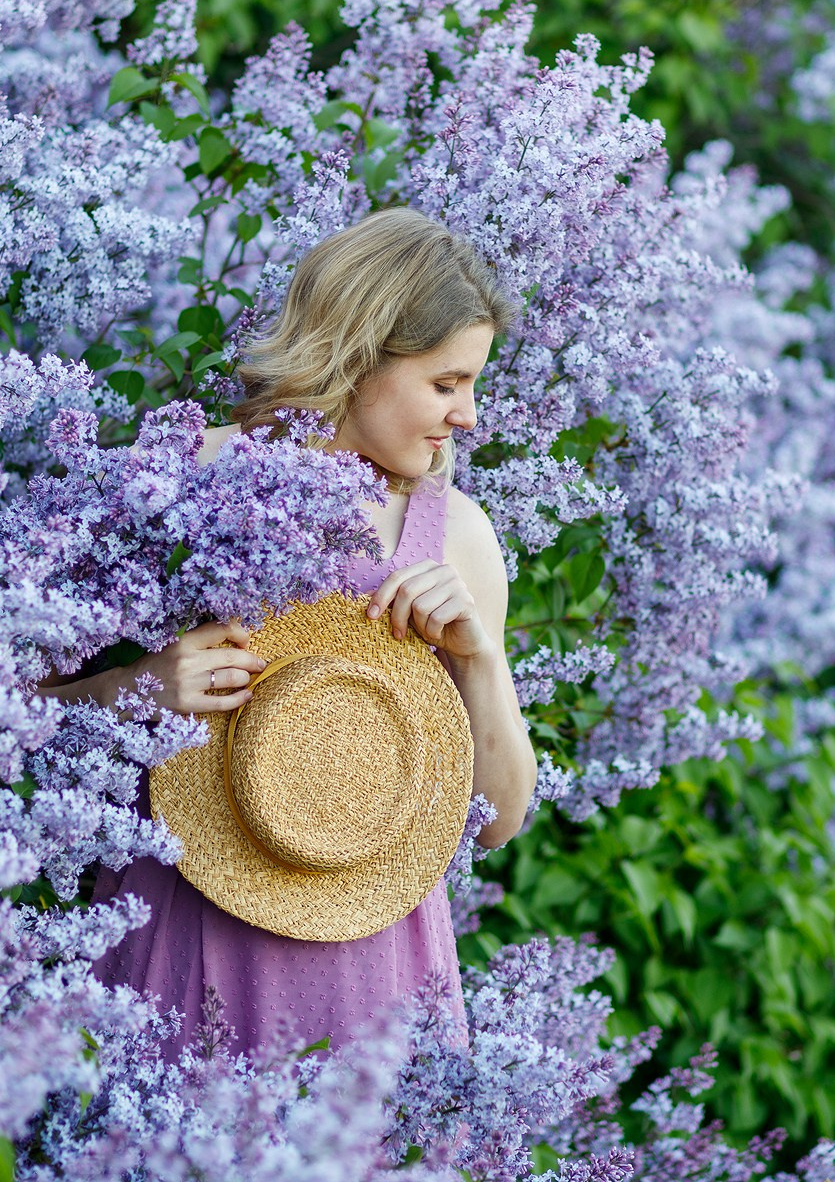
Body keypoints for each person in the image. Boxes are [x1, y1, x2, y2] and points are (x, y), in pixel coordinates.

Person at [39, 207, 537, 1059]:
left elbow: (498, 821)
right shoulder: (176, 478)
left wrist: (481, 663)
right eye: (446, 383)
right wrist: (134, 690)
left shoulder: (455, 534)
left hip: (377, 973)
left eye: (473, 385)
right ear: (357, 354)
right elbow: (20, 711)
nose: (468, 415)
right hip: (183, 937)